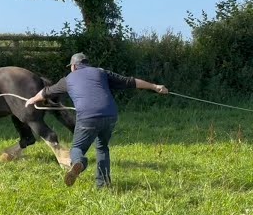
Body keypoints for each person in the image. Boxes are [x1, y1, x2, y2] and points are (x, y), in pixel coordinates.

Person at [25, 52, 169, 189]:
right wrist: (155, 86)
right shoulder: (101, 72)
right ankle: (103, 184)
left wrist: (32, 99)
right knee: (102, 147)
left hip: (88, 117)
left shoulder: (68, 79)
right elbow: (130, 82)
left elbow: (46, 92)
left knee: (78, 148)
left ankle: (79, 163)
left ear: (74, 66)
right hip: (110, 115)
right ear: (87, 64)